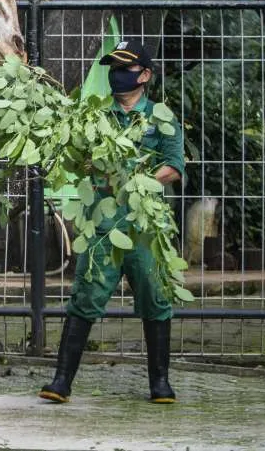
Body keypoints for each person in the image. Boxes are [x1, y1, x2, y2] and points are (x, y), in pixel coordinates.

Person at [38, 40, 185, 405]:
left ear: (145, 75)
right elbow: (78, 160)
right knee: (86, 297)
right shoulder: (96, 117)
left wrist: (138, 180)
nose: (117, 76)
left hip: (145, 228)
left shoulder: (161, 118)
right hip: (102, 228)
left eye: (126, 69)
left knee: (155, 298)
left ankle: (160, 384)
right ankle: (61, 382)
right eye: (113, 70)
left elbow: (174, 166)